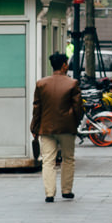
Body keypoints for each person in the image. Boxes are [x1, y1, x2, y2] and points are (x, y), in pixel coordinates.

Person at [31, 52, 82, 202]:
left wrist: (34, 127)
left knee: (48, 160)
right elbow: (78, 107)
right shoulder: (72, 83)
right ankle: (66, 190)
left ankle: (49, 193)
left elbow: (37, 108)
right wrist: (76, 122)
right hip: (67, 127)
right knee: (68, 158)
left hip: (46, 128)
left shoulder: (41, 84)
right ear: (64, 65)